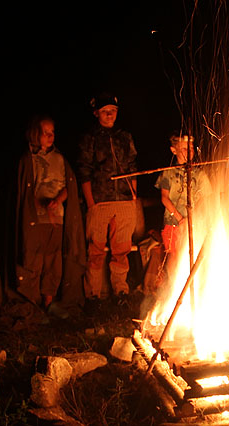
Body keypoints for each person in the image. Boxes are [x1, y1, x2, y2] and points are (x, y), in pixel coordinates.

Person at [15, 115, 85, 318]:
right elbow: (24, 192)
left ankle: (49, 302)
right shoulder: (27, 159)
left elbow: (67, 187)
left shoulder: (60, 159)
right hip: (35, 220)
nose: (50, 136)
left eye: (52, 132)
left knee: (53, 262)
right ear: (35, 134)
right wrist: (40, 205)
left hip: (57, 219)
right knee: (33, 261)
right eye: (45, 133)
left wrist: (58, 201)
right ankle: (33, 304)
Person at [78, 93, 139, 299]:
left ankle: (120, 291)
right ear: (97, 113)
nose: (109, 114)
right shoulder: (90, 138)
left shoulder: (124, 137)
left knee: (121, 251)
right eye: (105, 111)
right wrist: (91, 202)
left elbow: (132, 167)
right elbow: (84, 170)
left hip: (123, 200)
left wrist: (133, 196)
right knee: (96, 252)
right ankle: (94, 295)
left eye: (112, 111)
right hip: (100, 201)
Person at [155, 133, 212, 284]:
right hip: (172, 221)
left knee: (193, 253)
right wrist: (181, 219)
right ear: (174, 150)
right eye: (184, 148)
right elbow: (164, 198)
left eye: (191, 148)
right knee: (173, 255)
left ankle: (196, 284)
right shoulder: (168, 173)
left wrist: (192, 218)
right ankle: (175, 286)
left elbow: (204, 198)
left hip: (194, 223)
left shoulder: (199, 174)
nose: (189, 151)